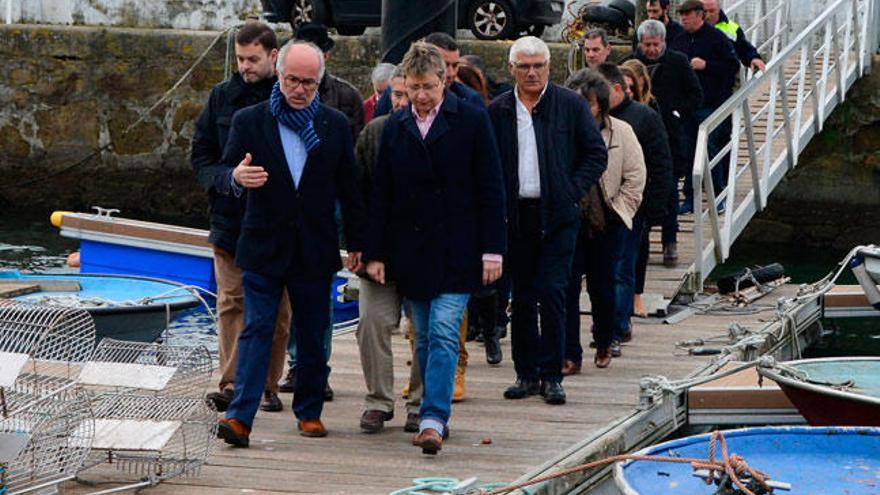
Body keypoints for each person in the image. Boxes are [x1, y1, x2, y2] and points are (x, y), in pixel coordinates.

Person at [216, 40, 366, 446]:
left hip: (314, 248)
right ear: (278, 76)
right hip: (263, 244)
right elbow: (224, 171)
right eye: (292, 80)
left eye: (309, 84)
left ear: (320, 83)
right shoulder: (250, 120)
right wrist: (236, 179)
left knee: (313, 332)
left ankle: (310, 409)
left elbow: (350, 189)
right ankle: (239, 417)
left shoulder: (334, 125)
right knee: (257, 328)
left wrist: (357, 242)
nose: (299, 90)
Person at [364, 42, 506, 454]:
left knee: (445, 333)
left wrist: (493, 250)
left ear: (443, 81)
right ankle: (428, 407)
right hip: (412, 252)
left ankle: (433, 419)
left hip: (459, 247)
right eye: (413, 88)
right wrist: (375, 252)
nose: (421, 96)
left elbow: (491, 188)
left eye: (428, 86)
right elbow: (381, 196)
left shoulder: (473, 121)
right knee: (423, 337)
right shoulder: (394, 126)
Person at [489, 36, 607, 405]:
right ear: (511, 69)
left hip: (557, 213)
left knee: (554, 293)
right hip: (516, 215)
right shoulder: (498, 110)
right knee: (521, 296)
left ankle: (552, 374)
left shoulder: (569, 105)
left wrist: (570, 191)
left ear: (548, 67)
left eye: (538, 65)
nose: (531, 72)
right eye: (523, 66)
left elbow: (594, 153)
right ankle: (525, 373)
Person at [191, 21, 290, 415]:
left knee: (278, 310)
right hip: (230, 217)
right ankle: (232, 383)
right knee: (232, 301)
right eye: (240, 59)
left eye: (253, 59)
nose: (246, 66)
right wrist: (228, 178)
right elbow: (200, 156)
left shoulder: (288, 98)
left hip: (276, 222)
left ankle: (267, 383)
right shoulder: (221, 97)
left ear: (273, 56)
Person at [277, 22, 365, 397]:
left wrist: (356, 233)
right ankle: (297, 366)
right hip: (286, 210)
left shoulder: (345, 98)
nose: (300, 88)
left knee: (319, 295)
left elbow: (351, 163)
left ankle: (315, 369)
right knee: (285, 298)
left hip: (327, 207)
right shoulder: (275, 101)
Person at [563, 68, 645, 372]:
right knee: (567, 287)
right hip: (570, 219)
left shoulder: (621, 131)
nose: (584, 110)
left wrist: (621, 209)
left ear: (601, 105)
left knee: (603, 285)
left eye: (590, 104)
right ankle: (570, 353)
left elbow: (636, 175)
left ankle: (604, 339)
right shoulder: (562, 131)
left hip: (607, 220)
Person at [596, 62, 671, 357]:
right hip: (594, 208)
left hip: (629, 208)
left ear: (617, 89)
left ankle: (615, 328)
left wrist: (653, 209)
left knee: (621, 270)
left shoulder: (644, 118)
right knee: (603, 271)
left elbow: (660, 163)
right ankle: (608, 325)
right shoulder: (592, 116)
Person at [355, 66, 411, 434]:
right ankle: (379, 400)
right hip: (379, 249)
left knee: (426, 330)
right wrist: (359, 247)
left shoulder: (445, 132)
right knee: (371, 323)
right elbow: (356, 194)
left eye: (410, 94)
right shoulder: (374, 133)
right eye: (399, 95)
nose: (405, 102)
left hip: (426, 251)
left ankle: (421, 403)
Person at [626, 19, 703, 266]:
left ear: (663, 42)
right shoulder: (629, 65)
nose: (650, 49)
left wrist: (677, 113)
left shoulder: (678, 62)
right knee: (639, 191)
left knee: (669, 190)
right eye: (646, 45)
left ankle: (670, 241)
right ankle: (641, 240)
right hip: (636, 136)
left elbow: (695, 94)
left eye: (655, 45)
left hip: (669, 135)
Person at [670, 0, 738, 214]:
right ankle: (690, 198)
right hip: (686, 106)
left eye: (687, 14)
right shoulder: (678, 39)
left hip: (711, 104)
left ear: (700, 15)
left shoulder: (717, 38)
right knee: (687, 150)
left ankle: (718, 195)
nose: (683, 18)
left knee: (709, 148)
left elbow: (732, 65)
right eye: (681, 14)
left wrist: (706, 65)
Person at [293, 23, 364, 139]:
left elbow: (355, 143)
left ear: (325, 56)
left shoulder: (348, 95)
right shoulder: (280, 92)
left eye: (312, 55)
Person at [703, 0, 766, 72]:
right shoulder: (690, 28)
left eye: (712, 11)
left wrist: (753, 58)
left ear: (718, 9)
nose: (707, 15)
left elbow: (744, 49)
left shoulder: (733, 28)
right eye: (704, 11)